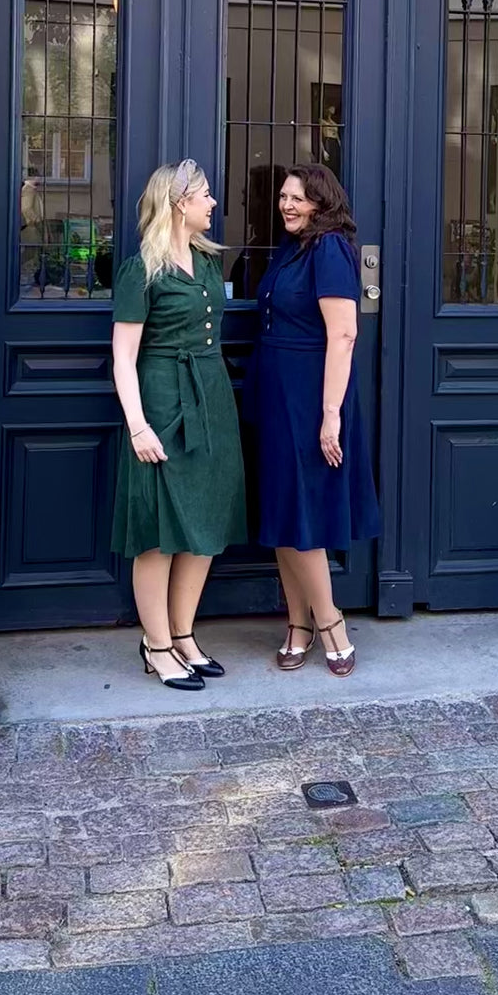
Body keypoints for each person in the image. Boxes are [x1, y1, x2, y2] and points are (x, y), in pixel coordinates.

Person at [112, 160, 246, 691]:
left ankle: (184, 635)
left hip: (211, 397)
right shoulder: (141, 270)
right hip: (162, 400)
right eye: (205, 195)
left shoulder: (208, 263)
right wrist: (138, 426)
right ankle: (157, 643)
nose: (213, 203)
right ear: (178, 202)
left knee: (205, 522)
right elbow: (124, 357)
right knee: (159, 530)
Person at [244, 163, 380, 677]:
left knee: (304, 517)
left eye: (297, 198)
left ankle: (330, 623)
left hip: (310, 398)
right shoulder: (292, 248)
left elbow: (343, 335)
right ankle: (297, 623)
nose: (287, 205)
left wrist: (330, 415)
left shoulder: (330, 250)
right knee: (284, 511)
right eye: (283, 197)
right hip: (275, 395)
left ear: (322, 203)